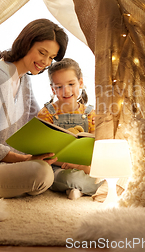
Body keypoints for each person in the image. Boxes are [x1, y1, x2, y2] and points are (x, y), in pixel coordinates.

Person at [0, 18, 69, 198]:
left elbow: (39, 121)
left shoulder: (24, 79)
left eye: (51, 57)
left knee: (53, 165)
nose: (46, 62)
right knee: (42, 174)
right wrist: (25, 159)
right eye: (42, 52)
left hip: (9, 163)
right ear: (26, 43)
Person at [37, 58, 102, 200]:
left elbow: (94, 146)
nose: (66, 91)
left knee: (107, 174)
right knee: (68, 177)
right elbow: (44, 152)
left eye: (71, 84)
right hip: (58, 167)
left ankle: (78, 189)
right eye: (59, 87)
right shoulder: (46, 114)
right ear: (52, 89)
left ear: (81, 83)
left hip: (85, 167)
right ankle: (79, 187)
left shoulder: (90, 113)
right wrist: (71, 165)